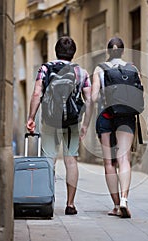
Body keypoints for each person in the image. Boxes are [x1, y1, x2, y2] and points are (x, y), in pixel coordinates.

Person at [26, 36, 93, 215]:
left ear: (56, 50)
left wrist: (31, 117)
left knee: (49, 160)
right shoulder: (81, 72)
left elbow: (36, 93)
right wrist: (85, 123)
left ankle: (47, 200)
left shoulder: (46, 68)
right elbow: (90, 99)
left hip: (50, 120)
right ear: (73, 53)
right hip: (72, 121)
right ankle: (70, 205)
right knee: (71, 161)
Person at [91, 37, 142, 218]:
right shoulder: (132, 68)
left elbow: (94, 97)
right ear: (122, 51)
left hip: (106, 116)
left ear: (108, 51)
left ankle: (115, 205)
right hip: (126, 117)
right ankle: (124, 200)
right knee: (124, 160)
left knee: (109, 163)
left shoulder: (100, 69)